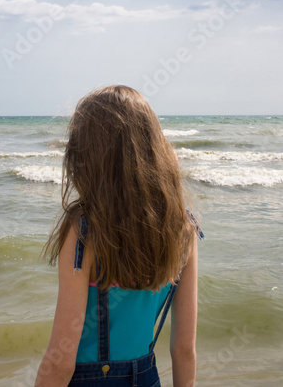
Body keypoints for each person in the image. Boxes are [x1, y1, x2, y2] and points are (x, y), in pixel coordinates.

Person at [34, 85, 204, 387]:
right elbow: (184, 351)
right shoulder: (183, 230)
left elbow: (60, 361)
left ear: (88, 156)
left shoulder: (84, 231)